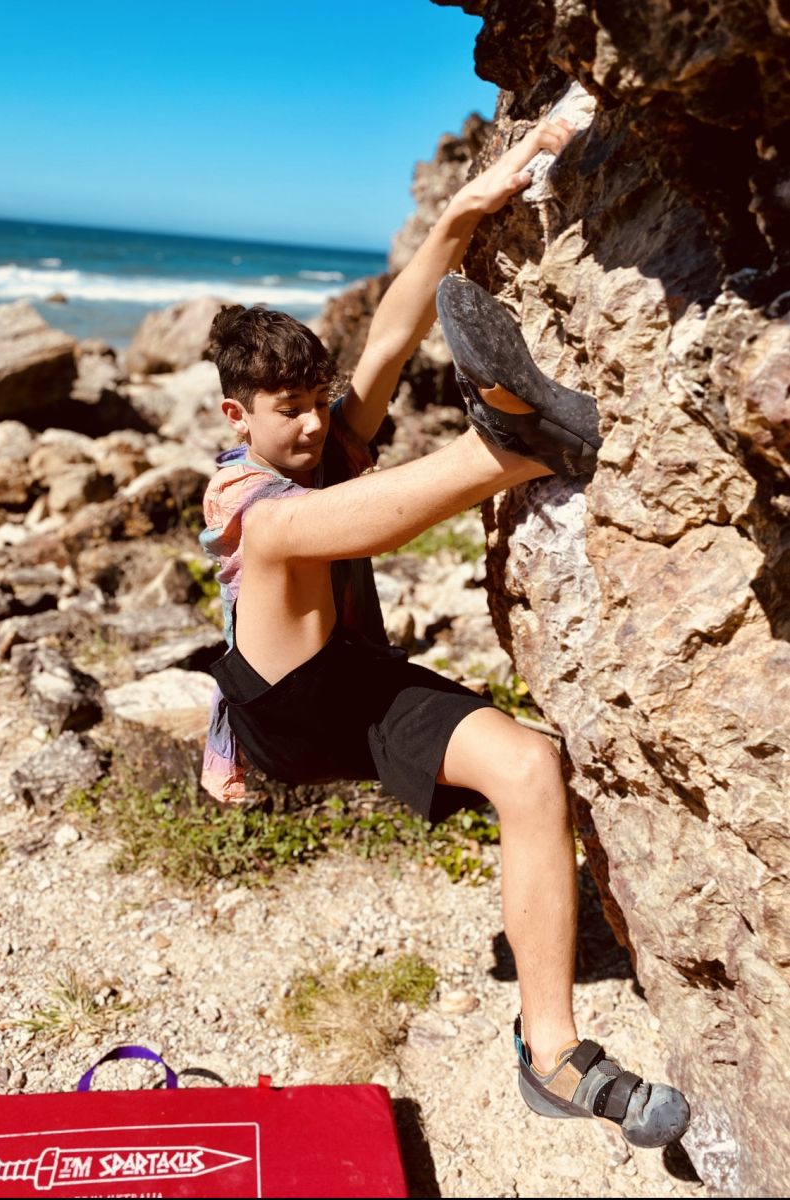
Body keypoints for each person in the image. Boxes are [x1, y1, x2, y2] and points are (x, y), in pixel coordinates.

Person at [199, 117, 690, 1148]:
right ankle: (509, 444)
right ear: (234, 416)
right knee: (286, 535)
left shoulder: (325, 440)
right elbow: (268, 544)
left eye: (310, 403)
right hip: (286, 712)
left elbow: (388, 331)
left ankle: (550, 1055)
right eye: (281, 409)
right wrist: (219, 742)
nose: (302, 425)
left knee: (528, 769)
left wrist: (468, 209)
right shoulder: (239, 491)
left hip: (359, 683)